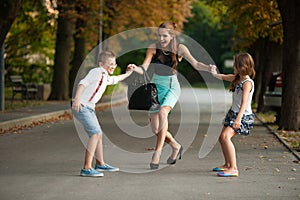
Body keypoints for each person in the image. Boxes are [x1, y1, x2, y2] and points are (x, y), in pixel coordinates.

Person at [130, 22, 214, 169]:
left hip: (171, 87)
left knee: (163, 112)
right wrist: (134, 68)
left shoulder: (180, 48)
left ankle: (157, 152)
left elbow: (195, 64)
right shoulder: (152, 47)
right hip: (155, 88)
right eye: (159, 35)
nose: (161, 39)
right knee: (155, 129)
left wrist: (208, 67)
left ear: (172, 36)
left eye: (165, 36)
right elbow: (144, 68)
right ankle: (176, 146)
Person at [72, 50, 133, 177]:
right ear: (101, 64)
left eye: (114, 64)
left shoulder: (104, 76)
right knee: (95, 133)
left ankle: (100, 164)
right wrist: (77, 99)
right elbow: (82, 83)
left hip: (89, 108)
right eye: (110, 63)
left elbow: (115, 79)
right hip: (82, 106)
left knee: (98, 134)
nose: (113, 66)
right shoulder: (96, 72)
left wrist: (127, 73)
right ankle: (86, 168)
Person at [211, 52, 256, 177]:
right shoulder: (237, 79)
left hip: (242, 116)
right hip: (233, 113)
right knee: (222, 138)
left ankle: (234, 168)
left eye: (235, 65)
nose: (233, 67)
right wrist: (214, 72)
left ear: (242, 66)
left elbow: (244, 103)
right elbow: (224, 76)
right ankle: (227, 165)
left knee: (226, 137)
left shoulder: (247, 82)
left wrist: (238, 120)